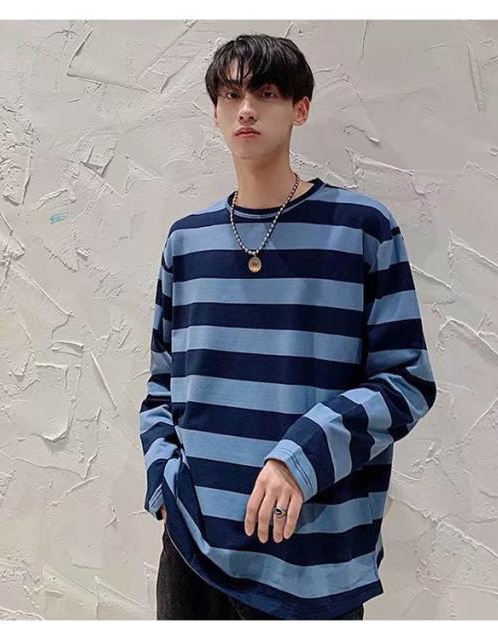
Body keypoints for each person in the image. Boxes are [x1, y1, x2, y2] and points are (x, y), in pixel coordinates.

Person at [138, 33, 437, 620]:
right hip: (192, 550)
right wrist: (165, 486)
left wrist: (301, 454)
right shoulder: (187, 241)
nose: (245, 108)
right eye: (230, 95)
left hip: (312, 561)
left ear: (300, 108)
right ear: (216, 113)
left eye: (266, 92)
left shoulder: (360, 229)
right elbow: (161, 385)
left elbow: (407, 381)